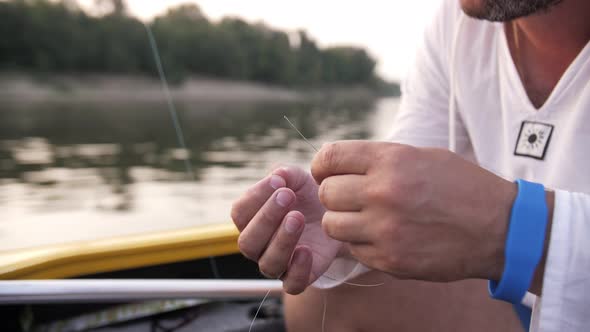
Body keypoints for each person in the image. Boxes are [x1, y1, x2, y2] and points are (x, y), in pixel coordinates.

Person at [231, 0, 590, 330]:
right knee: (321, 290)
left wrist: (512, 230)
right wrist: (346, 219)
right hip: (522, 303)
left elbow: (500, 229)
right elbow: (402, 180)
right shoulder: (456, 22)